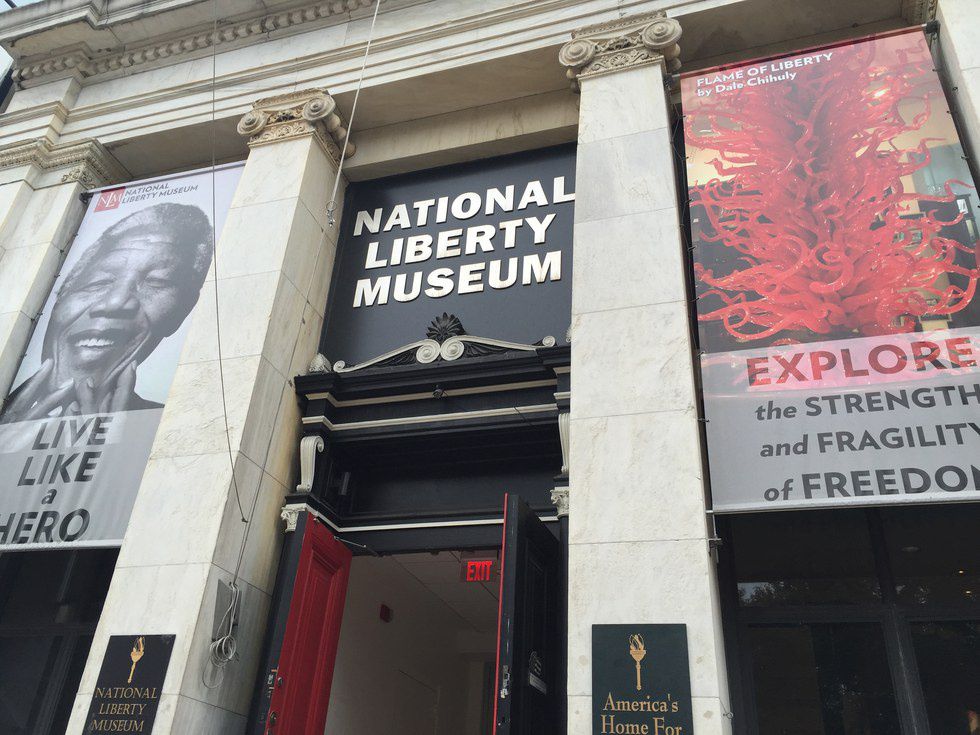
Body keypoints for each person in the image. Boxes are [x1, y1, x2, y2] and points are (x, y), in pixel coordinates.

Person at [0, 202, 212, 423]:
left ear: (182, 311)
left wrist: (115, 442)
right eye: (98, 282)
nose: (114, 302)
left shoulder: (169, 426)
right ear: (58, 301)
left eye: (156, 281)